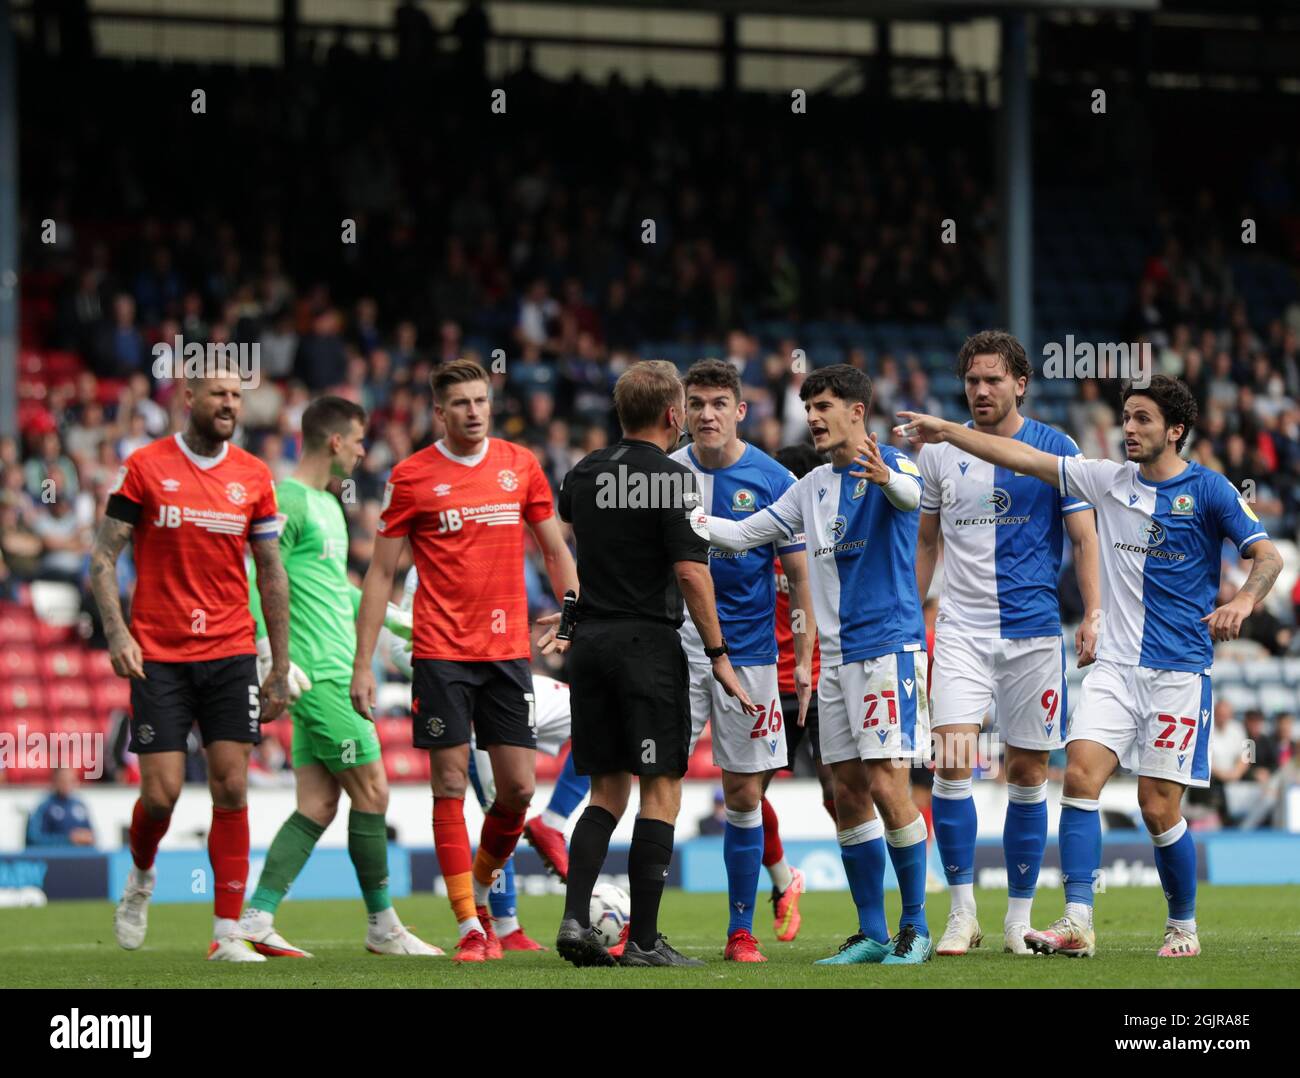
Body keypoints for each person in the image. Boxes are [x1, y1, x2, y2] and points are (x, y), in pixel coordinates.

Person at [898, 373, 1283, 957]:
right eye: (1125, 417)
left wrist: (1245, 599)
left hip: (1178, 673)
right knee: (1078, 777)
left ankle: (1183, 925)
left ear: (1175, 430)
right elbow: (1019, 456)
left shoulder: (1210, 491)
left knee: (1158, 808)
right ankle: (1077, 920)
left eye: (1143, 419)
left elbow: (1268, 555)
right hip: (1114, 670)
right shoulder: (1105, 479)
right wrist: (948, 431)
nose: (1128, 428)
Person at [702, 364, 935, 966]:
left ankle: (916, 928)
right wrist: (687, 520)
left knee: (887, 781)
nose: (813, 416)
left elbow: (909, 494)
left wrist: (886, 476)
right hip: (835, 660)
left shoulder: (893, 467)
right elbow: (742, 534)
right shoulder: (809, 488)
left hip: (887, 650)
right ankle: (871, 933)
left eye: (824, 405)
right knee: (848, 790)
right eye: (808, 407)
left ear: (857, 411)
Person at [350, 359, 579, 963]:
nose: (474, 411)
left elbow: (554, 548)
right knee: (449, 784)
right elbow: (379, 574)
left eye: (481, 400)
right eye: (461, 403)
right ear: (439, 412)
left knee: (518, 791)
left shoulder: (519, 465)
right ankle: (469, 929)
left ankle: (480, 890)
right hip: (441, 652)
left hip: (506, 653)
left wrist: (576, 609)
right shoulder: (412, 476)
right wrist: (363, 664)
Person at [554, 359, 755, 969]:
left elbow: (575, 536)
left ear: (620, 414)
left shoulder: (581, 473)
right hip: (647, 647)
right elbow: (692, 571)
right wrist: (718, 655)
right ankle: (643, 940)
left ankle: (572, 919)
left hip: (589, 646)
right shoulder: (676, 481)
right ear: (674, 415)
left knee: (604, 792)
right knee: (660, 792)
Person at [91, 362, 293, 962]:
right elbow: (103, 560)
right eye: (219, 394)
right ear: (189, 398)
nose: (230, 403)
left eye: (237, 395)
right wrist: (118, 634)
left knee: (232, 786)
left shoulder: (254, 476)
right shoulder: (146, 466)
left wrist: (278, 662)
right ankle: (142, 875)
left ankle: (228, 931)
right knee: (162, 796)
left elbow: (272, 571)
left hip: (231, 649)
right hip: (160, 655)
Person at [913, 330, 1101, 956]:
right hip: (962, 631)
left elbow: (1083, 539)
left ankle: (1020, 919)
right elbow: (927, 541)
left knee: (1026, 773)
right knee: (952, 762)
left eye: (994, 379)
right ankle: (962, 912)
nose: (982, 390)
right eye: (972, 381)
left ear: (1020, 383)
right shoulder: (940, 452)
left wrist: (1094, 611)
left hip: (1033, 635)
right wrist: (916, 617)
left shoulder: (1057, 448)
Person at [237, 396, 441, 958]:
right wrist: (267, 655)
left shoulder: (328, 504)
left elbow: (333, 587)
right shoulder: (287, 499)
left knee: (318, 806)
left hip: (327, 666)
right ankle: (383, 925)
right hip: (318, 674)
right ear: (334, 441)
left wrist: (396, 620)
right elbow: (257, 573)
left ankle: (255, 918)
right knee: (373, 792)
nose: (361, 449)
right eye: (357, 439)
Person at [669, 360, 814, 963]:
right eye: (696, 403)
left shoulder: (776, 477)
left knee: (743, 795)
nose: (707, 414)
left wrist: (804, 655)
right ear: (681, 412)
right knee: (656, 783)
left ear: (739, 410)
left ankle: (739, 931)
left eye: (718, 403)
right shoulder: (665, 474)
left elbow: (799, 575)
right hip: (675, 648)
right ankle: (642, 927)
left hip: (752, 655)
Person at [388, 565, 589, 951]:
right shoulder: (427, 565)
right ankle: (499, 923)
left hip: (514, 685)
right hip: (464, 695)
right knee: (500, 805)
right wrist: (444, 664)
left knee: (604, 719)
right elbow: (400, 647)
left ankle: (552, 822)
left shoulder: (506, 538)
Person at [764, 442, 834, 942]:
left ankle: (876, 915)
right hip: (769, 681)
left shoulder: (833, 537)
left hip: (825, 679)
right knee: (743, 797)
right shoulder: (759, 536)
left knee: (842, 794)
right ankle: (782, 880)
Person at [25, 768, 95, 848]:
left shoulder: (80, 806)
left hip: (81, 858)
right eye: (63, 780)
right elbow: (33, 839)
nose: (67, 784)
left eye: (71, 780)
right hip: (53, 858)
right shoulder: (44, 807)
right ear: (55, 781)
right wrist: (67, 839)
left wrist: (88, 838)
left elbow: (92, 836)